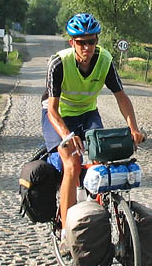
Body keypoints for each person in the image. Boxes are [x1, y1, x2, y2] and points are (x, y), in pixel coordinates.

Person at [41, 13, 145, 241]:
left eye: (92, 41)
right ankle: (67, 231)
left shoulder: (105, 60)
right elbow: (52, 110)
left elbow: (121, 97)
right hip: (59, 116)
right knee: (72, 163)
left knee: (101, 160)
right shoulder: (59, 63)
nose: (87, 47)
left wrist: (134, 128)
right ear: (72, 43)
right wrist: (67, 135)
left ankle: (92, 208)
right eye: (81, 42)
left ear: (97, 41)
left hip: (87, 113)